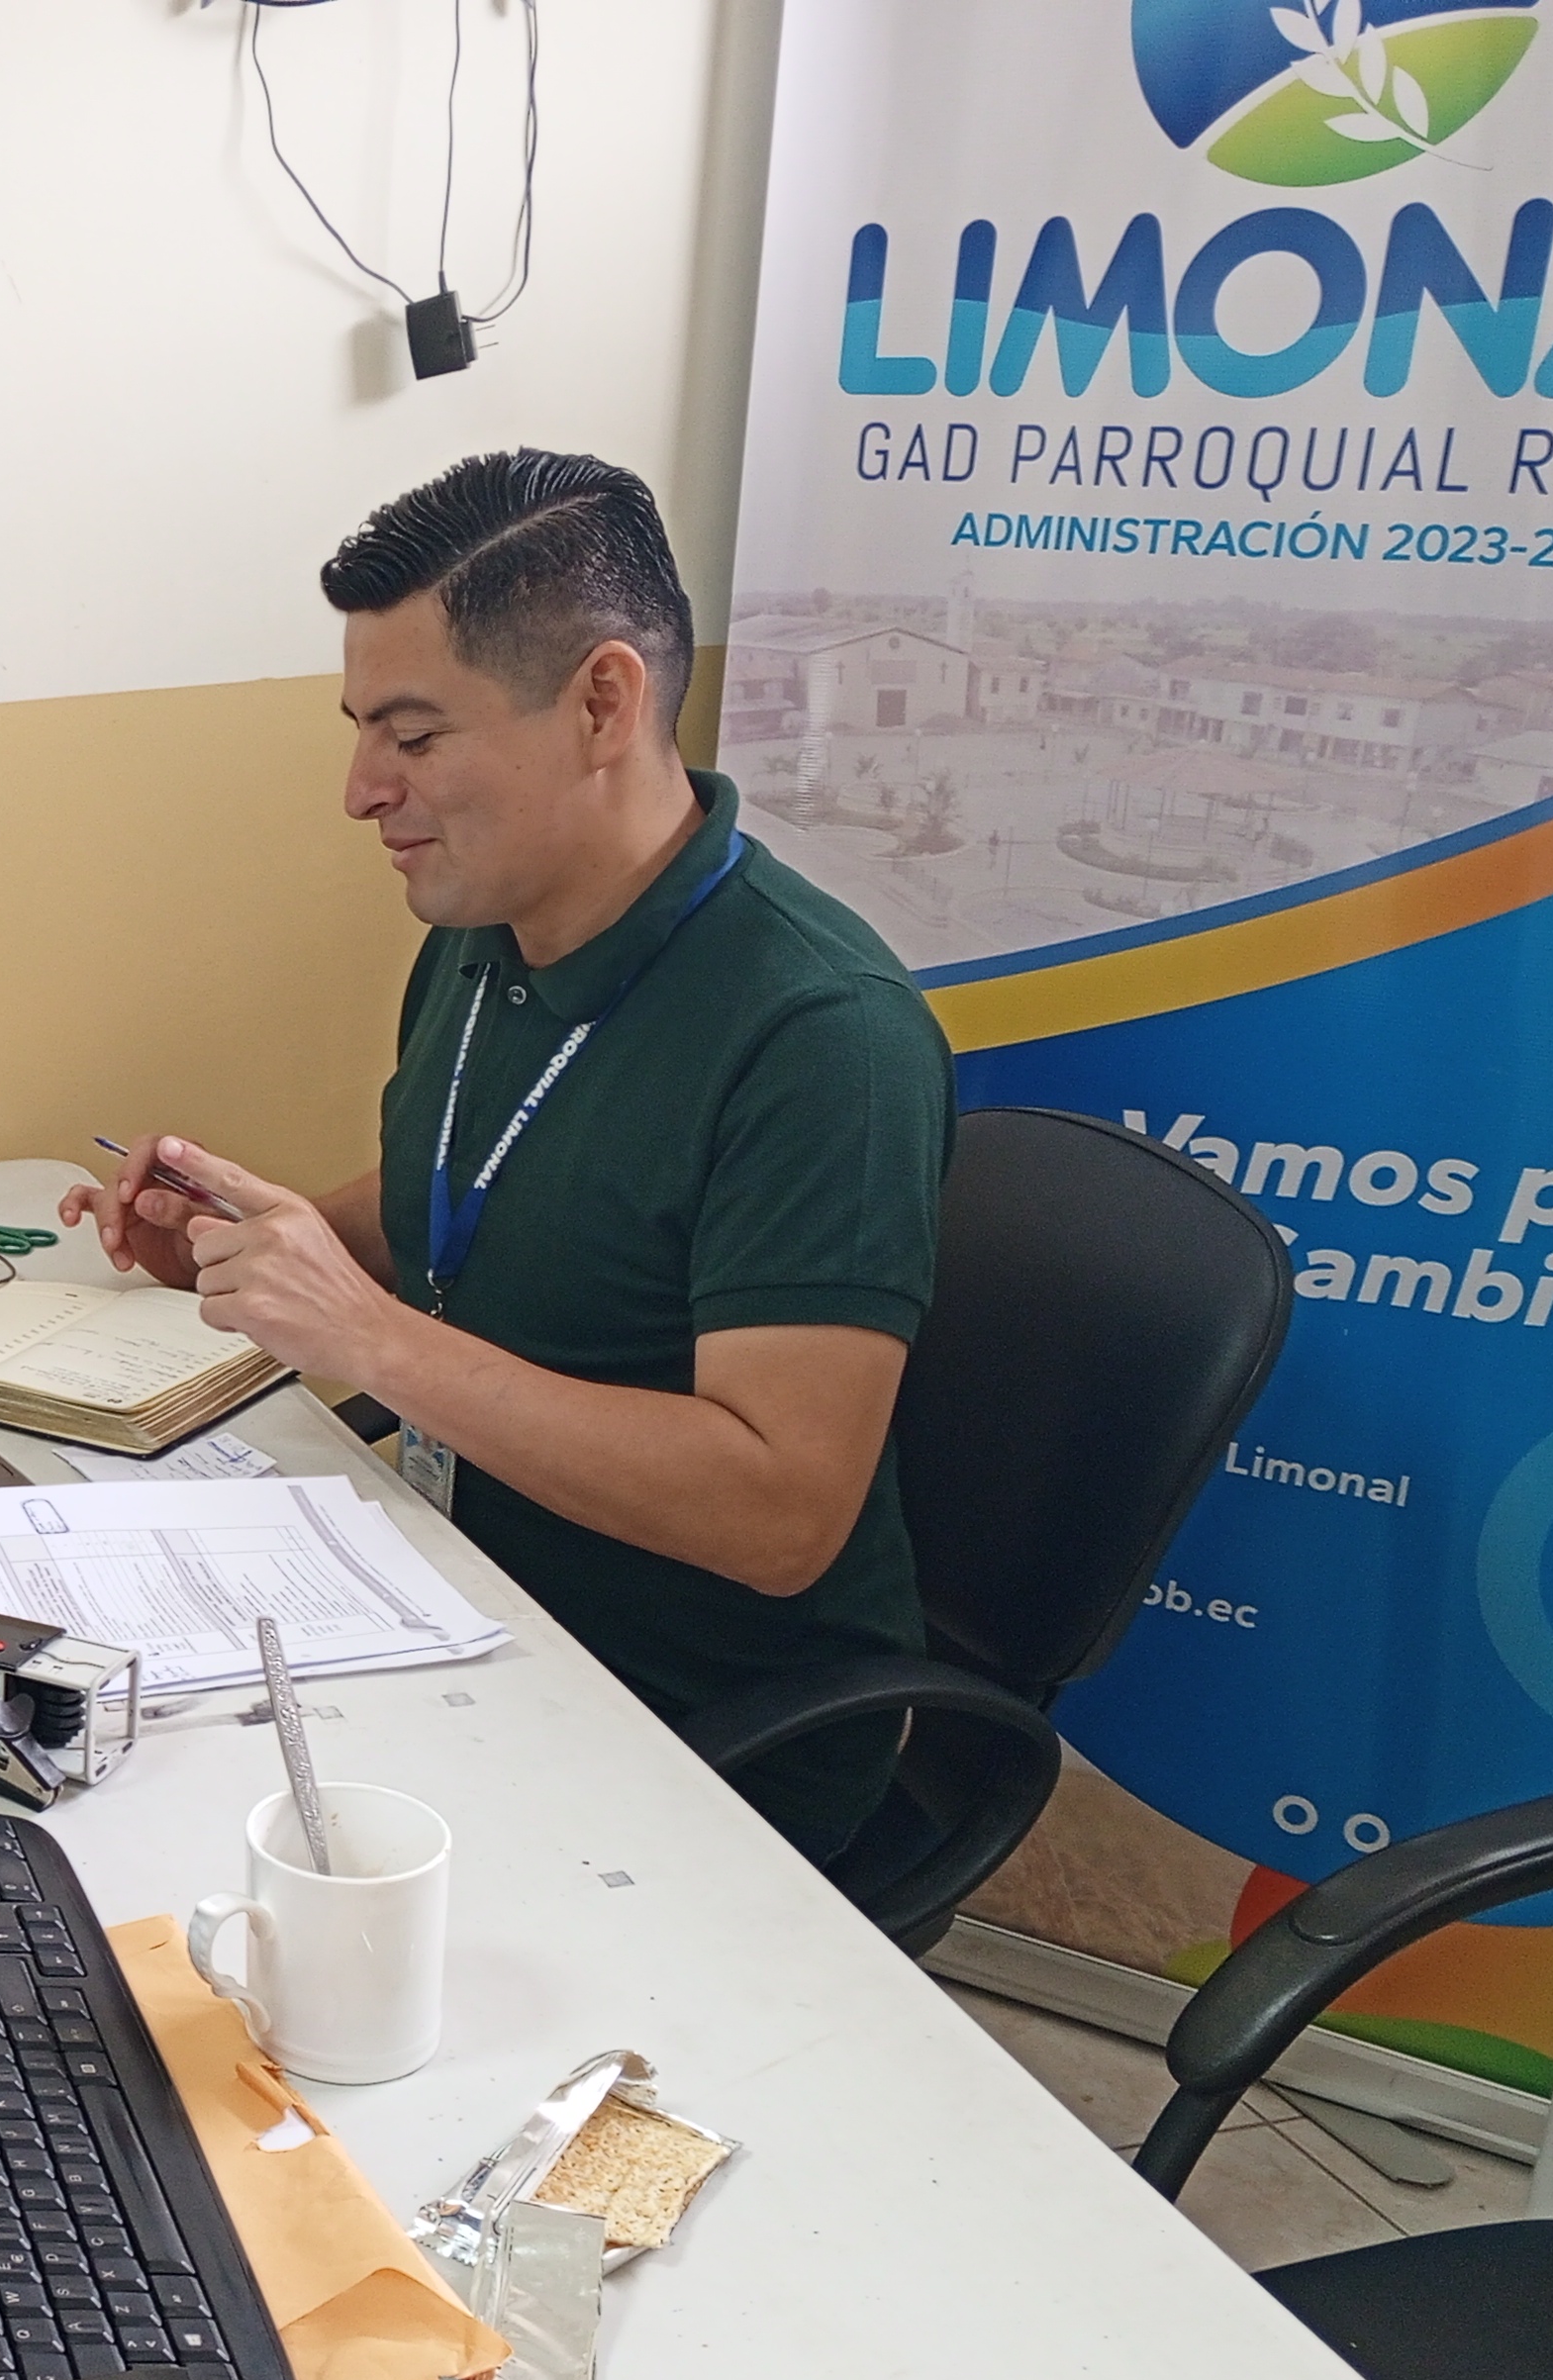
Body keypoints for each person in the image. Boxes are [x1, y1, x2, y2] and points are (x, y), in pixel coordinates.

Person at [66, 449, 953, 1862]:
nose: (362, 791)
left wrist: (369, 1337)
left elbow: (780, 1513)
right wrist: (257, 1242)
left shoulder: (822, 1035)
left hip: (690, 1725)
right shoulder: (484, 938)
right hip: (446, 1594)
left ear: (603, 703)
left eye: (414, 738)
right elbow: (476, 1198)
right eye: (362, 732)